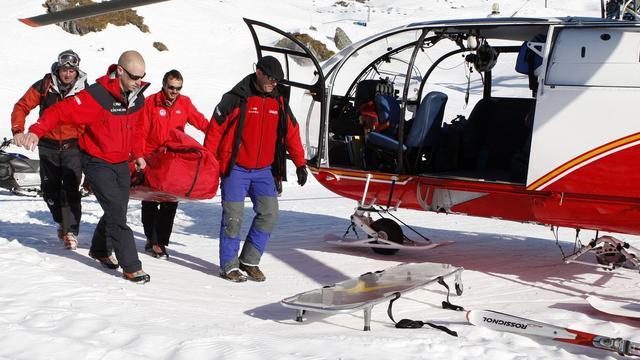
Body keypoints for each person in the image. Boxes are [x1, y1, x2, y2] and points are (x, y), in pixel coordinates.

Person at [16, 50, 151, 284]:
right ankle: (131, 266)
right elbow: (59, 110)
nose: (139, 82)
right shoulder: (97, 95)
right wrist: (36, 131)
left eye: (142, 77)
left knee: (116, 208)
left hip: (121, 162)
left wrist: (138, 153)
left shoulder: (137, 96)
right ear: (119, 70)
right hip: (97, 161)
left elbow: (138, 127)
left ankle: (99, 248)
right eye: (134, 77)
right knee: (118, 216)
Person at [204, 56, 308, 283]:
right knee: (233, 217)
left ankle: (249, 260)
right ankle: (229, 266)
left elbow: (292, 131)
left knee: (269, 213)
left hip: (264, 171)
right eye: (270, 78)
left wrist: (300, 163)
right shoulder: (236, 98)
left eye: (277, 80)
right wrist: (208, 164)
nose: (274, 83)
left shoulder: (278, 100)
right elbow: (214, 131)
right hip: (236, 170)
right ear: (258, 72)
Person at [11, 50, 88, 250]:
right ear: (58, 68)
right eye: (64, 70)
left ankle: (71, 231)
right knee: (50, 190)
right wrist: (18, 130)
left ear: (76, 71)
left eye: (72, 71)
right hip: (48, 145)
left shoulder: (84, 90)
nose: (68, 74)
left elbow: (94, 119)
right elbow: (21, 106)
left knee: (71, 188)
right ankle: (61, 222)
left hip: (73, 146)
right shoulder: (45, 85)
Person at [140, 69, 209, 258]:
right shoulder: (150, 103)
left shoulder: (184, 103)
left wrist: (216, 135)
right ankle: (151, 239)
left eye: (178, 89)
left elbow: (201, 122)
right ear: (163, 85)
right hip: (152, 157)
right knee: (151, 200)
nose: (174, 92)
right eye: (171, 88)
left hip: (174, 160)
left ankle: (161, 242)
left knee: (170, 201)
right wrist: (142, 157)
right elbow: (142, 131)